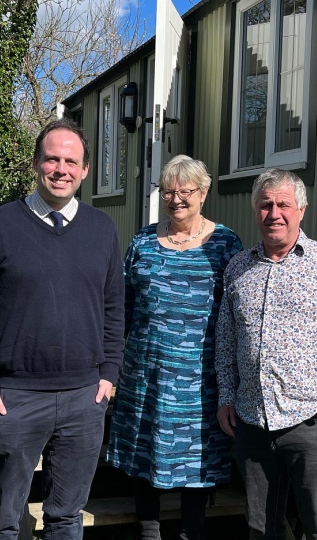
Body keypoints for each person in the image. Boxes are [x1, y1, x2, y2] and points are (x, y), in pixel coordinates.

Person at [0, 118, 125, 540]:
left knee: (67, 518)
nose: (61, 169)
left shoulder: (102, 229)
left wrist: (109, 374)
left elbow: (113, 307)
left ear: (85, 170)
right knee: (0, 521)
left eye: (71, 161)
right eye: (52, 159)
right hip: (15, 397)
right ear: (36, 163)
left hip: (84, 397)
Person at [216, 169, 317, 540]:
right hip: (251, 420)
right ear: (256, 210)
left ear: (301, 209)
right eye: (265, 205)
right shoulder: (239, 267)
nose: (274, 213)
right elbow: (225, 339)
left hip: (312, 422)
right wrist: (225, 395)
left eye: (283, 204)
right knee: (261, 529)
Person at [105, 155, 243, 540]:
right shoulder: (143, 241)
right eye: (169, 191)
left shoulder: (226, 243)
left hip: (201, 376)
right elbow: (123, 307)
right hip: (145, 372)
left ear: (204, 192)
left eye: (186, 191)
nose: (177, 198)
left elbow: (234, 313)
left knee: (198, 457)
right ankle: (149, 531)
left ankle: (191, 532)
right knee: (144, 448)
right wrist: (112, 366)